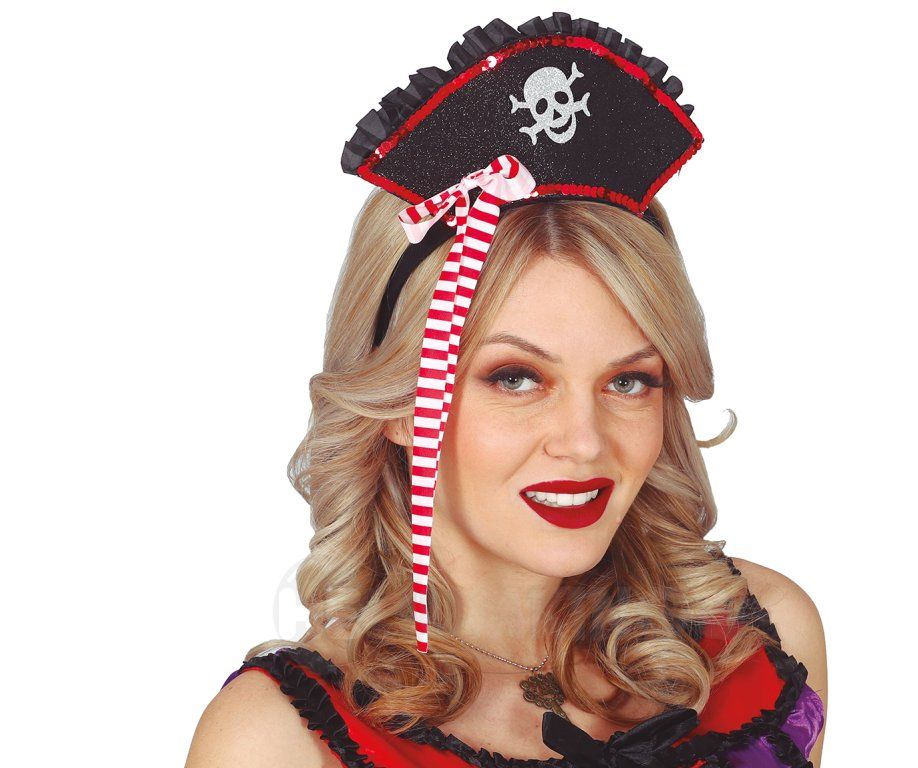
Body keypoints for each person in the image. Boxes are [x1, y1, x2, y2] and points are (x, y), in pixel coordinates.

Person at [185, 12, 827, 768]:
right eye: (516, 378)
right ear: (399, 406)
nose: (583, 441)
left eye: (629, 380)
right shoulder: (281, 740)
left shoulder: (760, 645)